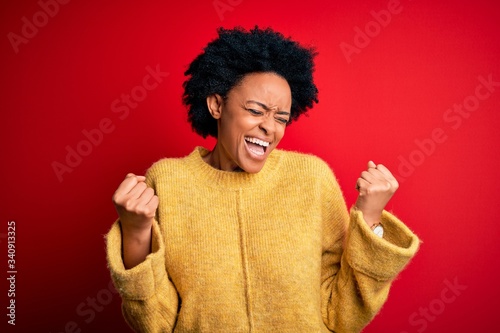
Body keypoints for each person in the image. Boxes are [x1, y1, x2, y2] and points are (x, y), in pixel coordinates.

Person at [106, 26, 420, 333]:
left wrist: (371, 217)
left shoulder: (311, 178)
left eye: (281, 118)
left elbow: (343, 316)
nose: (270, 128)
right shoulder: (167, 181)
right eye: (256, 111)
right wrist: (135, 231)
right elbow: (156, 323)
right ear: (217, 105)